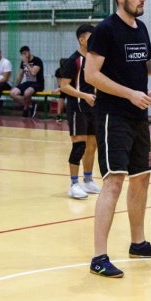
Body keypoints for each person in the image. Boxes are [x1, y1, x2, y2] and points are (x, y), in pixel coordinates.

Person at [84, 0, 151, 278]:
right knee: (114, 181)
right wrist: (129, 94)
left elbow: (143, 66)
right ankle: (99, 257)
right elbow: (91, 76)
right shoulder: (105, 30)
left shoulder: (141, 28)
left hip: (138, 115)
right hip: (113, 115)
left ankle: (139, 243)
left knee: (141, 178)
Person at [59, 24, 101, 200]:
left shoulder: (95, 59)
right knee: (79, 146)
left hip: (93, 108)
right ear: (81, 40)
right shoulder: (74, 60)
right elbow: (64, 86)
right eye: (91, 38)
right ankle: (73, 184)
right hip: (77, 107)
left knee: (92, 145)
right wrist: (84, 95)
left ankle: (88, 180)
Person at [10, 46, 45, 117]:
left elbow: (33, 73)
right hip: (28, 82)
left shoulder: (37, 60)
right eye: (22, 54)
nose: (24, 55)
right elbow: (20, 75)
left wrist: (26, 63)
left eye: (25, 53)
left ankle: (25, 108)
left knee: (26, 93)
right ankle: (30, 105)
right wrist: (17, 86)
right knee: (12, 93)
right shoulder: (23, 62)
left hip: (38, 83)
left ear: (29, 52)